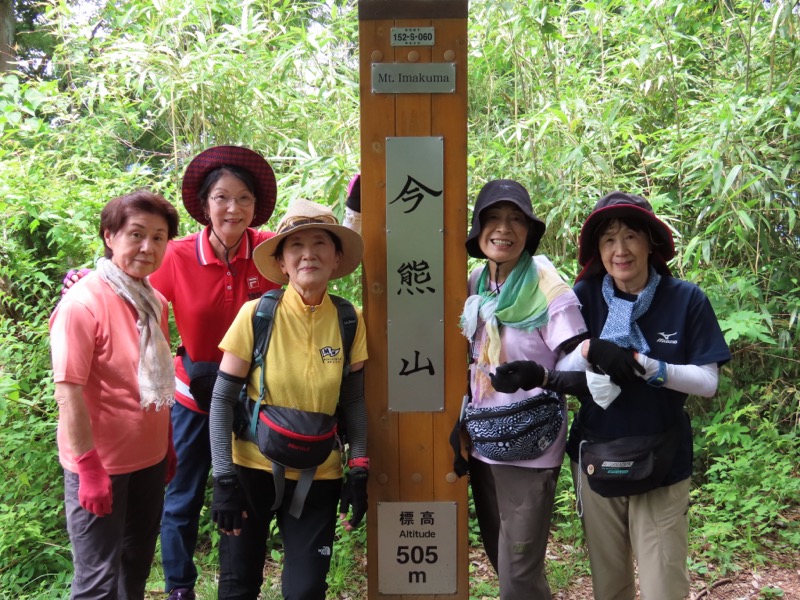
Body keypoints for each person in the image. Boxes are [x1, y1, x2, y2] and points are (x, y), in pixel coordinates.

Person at [61, 145, 280, 600]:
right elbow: (125, 284)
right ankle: (180, 585)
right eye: (221, 197)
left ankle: (235, 586)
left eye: (244, 199)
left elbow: (313, 260)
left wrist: (353, 214)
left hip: (250, 399)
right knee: (180, 499)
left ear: (256, 207)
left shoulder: (268, 252)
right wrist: (83, 277)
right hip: (189, 395)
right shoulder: (175, 254)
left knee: (240, 495)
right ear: (204, 204)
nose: (232, 208)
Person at [494, 191, 731, 600]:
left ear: (651, 242)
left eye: (631, 236)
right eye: (608, 239)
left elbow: (707, 382)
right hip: (597, 457)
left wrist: (651, 367)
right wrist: (586, 351)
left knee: (663, 586)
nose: (620, 250)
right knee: (610, 584)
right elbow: (567, 368)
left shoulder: (685, 299)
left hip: (663, 458)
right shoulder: (584, 298)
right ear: (598, 250)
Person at [208, 198, 369, 600]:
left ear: (336, 258)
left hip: (321, 474)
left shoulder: (350, 319)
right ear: (282, 262)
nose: (308, 254)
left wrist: (360, 468)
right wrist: (224, 478)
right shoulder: (257, 314)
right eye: (296, 246)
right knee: (237, 586)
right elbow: (222, 399)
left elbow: (353, 402)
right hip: (251, 468)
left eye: (320, 243)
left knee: (306, 590)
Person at [458, 179, 589, 600]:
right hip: (485, 440)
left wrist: (540, 376)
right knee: (506, 564)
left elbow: (578, 359)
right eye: (493, 218)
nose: (504, 229)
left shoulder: (548, 287)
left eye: (516, 219)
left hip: (532, 445)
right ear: (478, 230)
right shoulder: (477, 282)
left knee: (517, 572)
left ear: (529, 232)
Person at [50, 190, 180, 598]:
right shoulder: (82, 303)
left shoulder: (154, 301)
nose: (148, 247)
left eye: (159, 238)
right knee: (97, 580)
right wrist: (87, 467)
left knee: (135, 567)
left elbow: (154, 382)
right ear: (110, 236)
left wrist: (167, 442)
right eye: (136, 234)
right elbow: (68, 392)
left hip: (148, 461)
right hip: (100, 465)